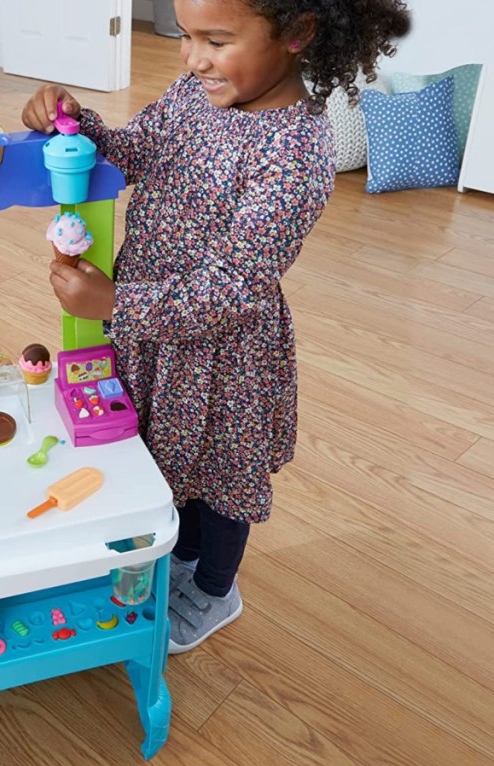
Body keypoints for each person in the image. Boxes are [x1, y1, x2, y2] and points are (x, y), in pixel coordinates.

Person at [22, 0, 410, 654]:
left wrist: (115, 303)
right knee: (170, 459)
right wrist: (79, 124)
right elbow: (135, 148)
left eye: (217, 39)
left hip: (223, 354)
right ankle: (182, 554)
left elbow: (232, 286)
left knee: (223, 477)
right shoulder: (194, 94)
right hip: (152, 329)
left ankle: (214, 587)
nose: (192, 56)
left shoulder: (296, 152)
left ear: (298, 32)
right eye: (186, 34)